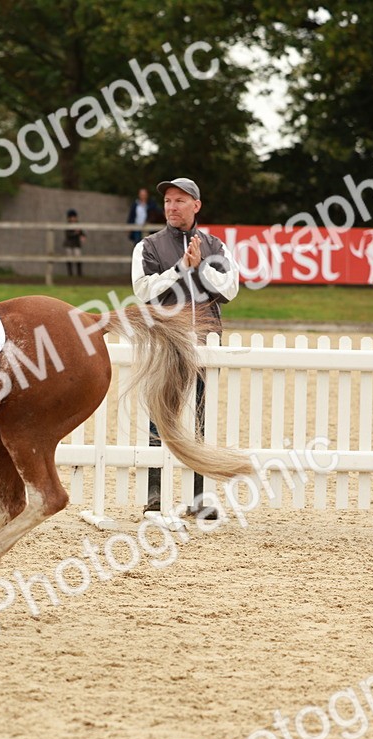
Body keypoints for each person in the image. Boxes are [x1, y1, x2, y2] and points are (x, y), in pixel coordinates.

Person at [132, 178, 238, 518]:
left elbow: (231, 288)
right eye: (168, 201)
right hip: (165, 341)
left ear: (196, 205)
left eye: (180, 200)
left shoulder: (216, 246)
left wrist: (201, 269)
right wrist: (179, 269)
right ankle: (155, 497)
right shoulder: (148, 246)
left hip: (205, 341)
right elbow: (143, 291)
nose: (172, 206)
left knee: (200, 423)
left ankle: (198, 498)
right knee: (158, 418)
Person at [64, 209, 86, 277]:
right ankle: (70, 274)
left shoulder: (78, 225)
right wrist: (75, 233)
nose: (73, 219)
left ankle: (79, 274)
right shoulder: (67, 225)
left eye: (74, 217)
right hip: (69, 244)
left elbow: (82, 233)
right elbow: (68, 235)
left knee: (78, 257)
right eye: (72, 217)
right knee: (69, 258)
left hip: (76, 244)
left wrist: (83, 236)